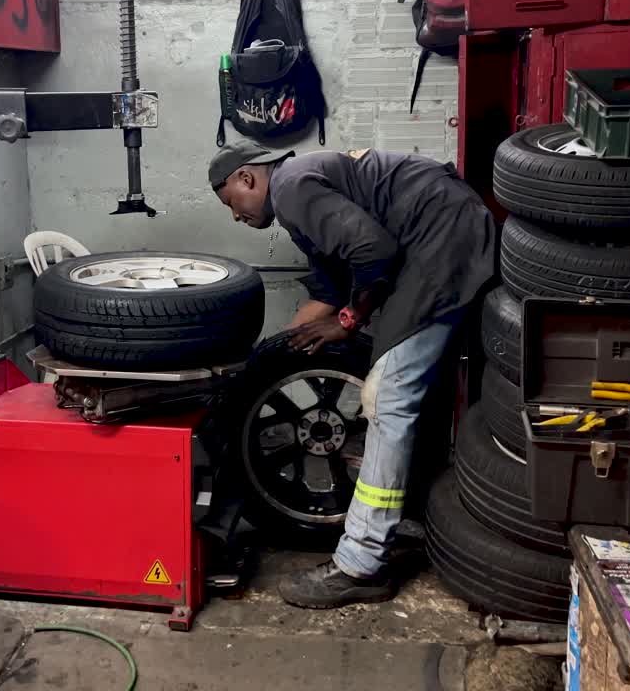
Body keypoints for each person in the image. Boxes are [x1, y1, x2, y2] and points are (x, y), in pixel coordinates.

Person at [208, 140, 497, 609]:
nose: (235, 216)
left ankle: (361, 564)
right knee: (408, 389)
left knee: (388, 398)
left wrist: (349, 321)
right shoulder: (300, 199)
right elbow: (329, 292)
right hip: (444, 233)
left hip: (443, 238)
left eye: (230, 203)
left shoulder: (291, 186)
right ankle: (401, 522)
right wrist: (267, 364)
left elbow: (372, 249)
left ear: (246, 178)